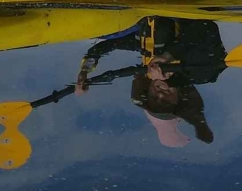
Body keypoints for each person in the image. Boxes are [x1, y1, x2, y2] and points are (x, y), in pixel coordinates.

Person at [74, 16, 223, 146]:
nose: (161, 95)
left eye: (154, 98)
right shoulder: (200, 71)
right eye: (166, 102)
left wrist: (84, 70)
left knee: (105, 34)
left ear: (148, 89)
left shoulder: (144, 46)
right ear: (179, 97)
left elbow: (104, 47)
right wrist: (168, 56)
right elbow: (206, 27)